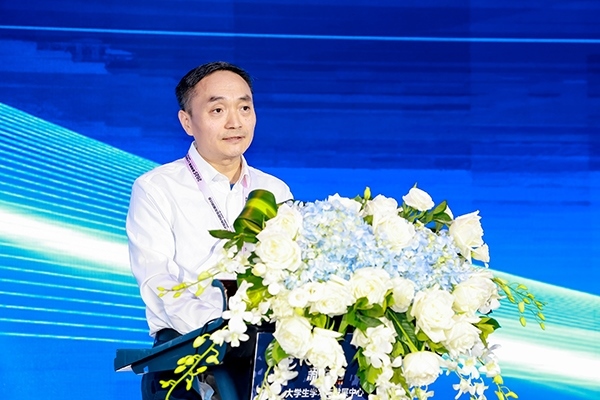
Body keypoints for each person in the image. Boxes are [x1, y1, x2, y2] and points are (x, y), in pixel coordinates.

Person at [126, 61, 293, 400]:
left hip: (266, 353)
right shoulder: (156, 188)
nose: (235, 122)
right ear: (187, 122)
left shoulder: (275, 190)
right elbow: (158, 282)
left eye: (244, 108)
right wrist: (225, 331)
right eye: (218, 110)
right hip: (186, 358)